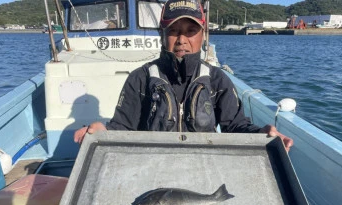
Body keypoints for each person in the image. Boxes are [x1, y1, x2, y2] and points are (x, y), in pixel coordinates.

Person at [74, 0, 293, 151]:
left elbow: (235, 126)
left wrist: (262, 134)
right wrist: (103, 131)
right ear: (162, 34)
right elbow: (123, 128)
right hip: (151, 163)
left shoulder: (217, 80)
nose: (182, 39)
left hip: (204, 163)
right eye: (173, 30)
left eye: (190, 31)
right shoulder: (140, 79)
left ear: (202, 35)